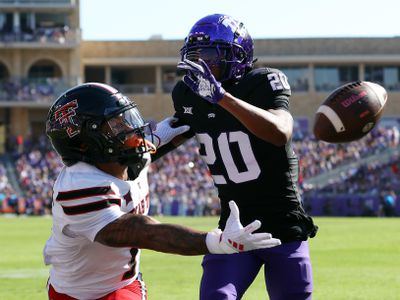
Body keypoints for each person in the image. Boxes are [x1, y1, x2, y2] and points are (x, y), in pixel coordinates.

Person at [42, 82, 281, 300]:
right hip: (79, 294)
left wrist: (206, 108)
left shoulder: (118, 156)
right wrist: (215, 242)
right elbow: (142, 232)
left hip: (125, 283)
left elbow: (169, 134)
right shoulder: (79, 186)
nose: (128, 128)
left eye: (125, 118)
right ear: (84, 142)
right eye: (115, 125)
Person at [163, 14, 319, 300]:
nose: (202, 63)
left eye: (210, 54)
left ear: (237, 55)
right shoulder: (187, 93)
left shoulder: (262, 82)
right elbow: (175, 132)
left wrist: (221, 97)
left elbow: (280, 131)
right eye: (195, 55)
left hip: (282, 226)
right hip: (233, 226)